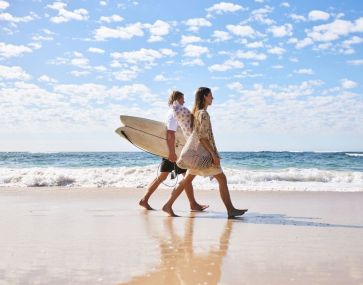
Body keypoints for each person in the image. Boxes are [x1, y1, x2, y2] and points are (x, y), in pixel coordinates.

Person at [162, 87, 248, 218]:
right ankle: (230, 210)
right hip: (203, 154)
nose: (212, 98)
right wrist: (213, 154)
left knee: (186, 181)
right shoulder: (203, 114)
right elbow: (202, 137)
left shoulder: (197, 113)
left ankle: (168, 205)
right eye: (210, 96)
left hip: (197, 154)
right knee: (222, 179)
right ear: (204, 97)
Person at [139, 91, 208, 212]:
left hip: (175, 149)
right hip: (174, 151)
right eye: (183, 99)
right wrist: (171, 152)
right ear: (178, 98)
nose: (184, 101)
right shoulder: (174, 112)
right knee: (185, 176)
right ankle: (190, 204)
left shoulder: (172, 111)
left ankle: (145, 199)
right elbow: (170, 133)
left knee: (171, 176)